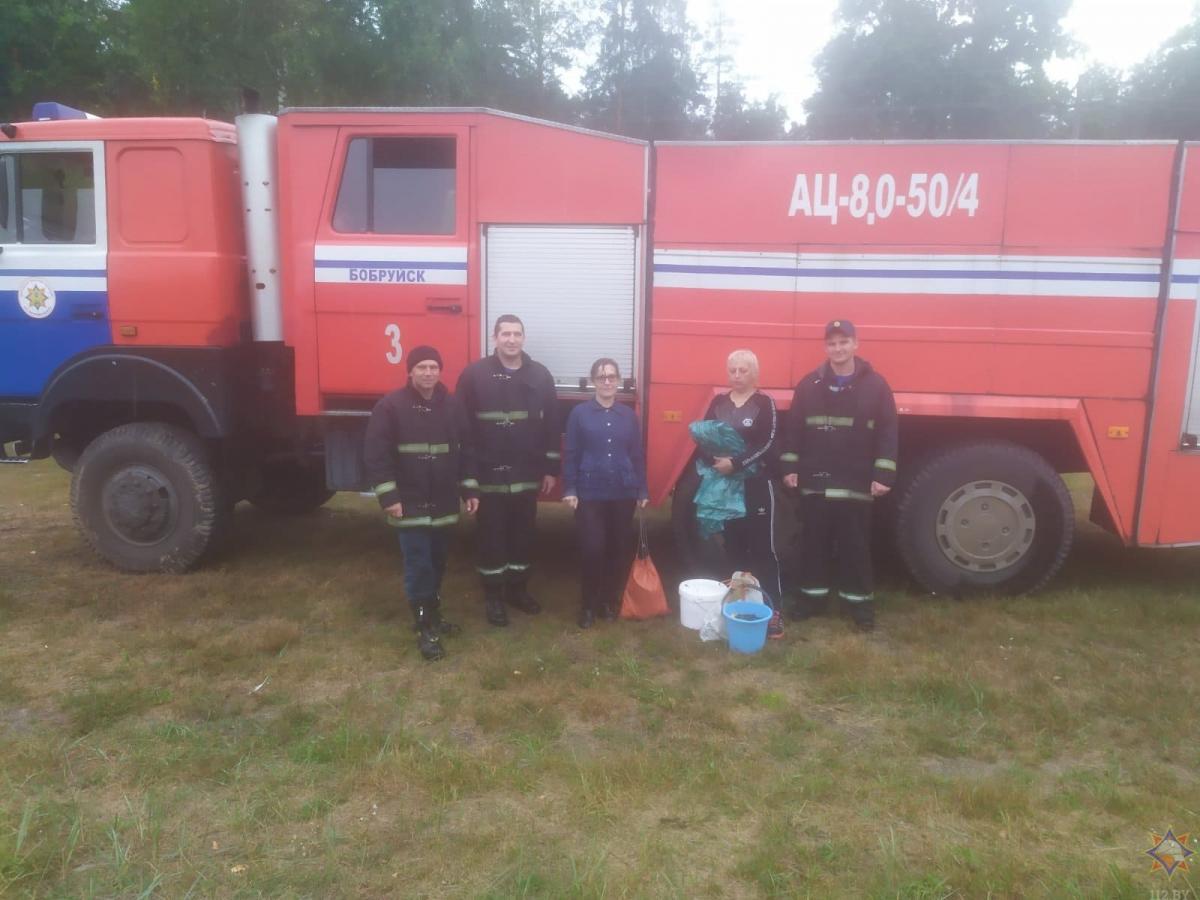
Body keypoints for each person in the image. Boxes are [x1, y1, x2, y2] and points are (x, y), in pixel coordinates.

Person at [781, 320, 898, 632]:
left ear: (856, 344)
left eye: (843, 342)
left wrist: (883, 473)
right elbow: (794, 430)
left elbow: (888, 432)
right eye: (832, 343)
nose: (838, 348)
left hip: (855, 483)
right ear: (825, 348)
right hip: (815, 483)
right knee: (812, 544)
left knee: (855, 546)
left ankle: (859, 606)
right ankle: (810, 600)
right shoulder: (809, 385)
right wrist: (790, 467)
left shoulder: (876, 385)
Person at [364, 345, 479, 661]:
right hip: (410, 501)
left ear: (440, 371)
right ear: (410, 371)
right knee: (418, 564)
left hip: (442, 501)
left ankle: (434, 613)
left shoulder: (453, 406)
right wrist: (389, 496)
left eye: (433, 367)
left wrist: (470, 490)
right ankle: (423, 625)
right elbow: (377, 455)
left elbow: (466, 450)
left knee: (439, 561)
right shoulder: (390, 406)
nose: (428, 373)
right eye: (422, 367)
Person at [456, 315, 560, 626]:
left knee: (523, 536)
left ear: (524, 338)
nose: (511, 340)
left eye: (516, 334)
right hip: (489, 477)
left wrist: (550, 467)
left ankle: (518, 590)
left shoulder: (540, 375)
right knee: (491, 538)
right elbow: (463, 429)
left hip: (525, 476)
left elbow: (552, 424)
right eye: (505, 334)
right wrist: (469, 478)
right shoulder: (474, 375)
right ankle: (493, 597)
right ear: (494, 337)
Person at [699, 348, 784, 638]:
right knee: (734, 547)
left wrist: (736, 463)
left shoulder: (764, 403)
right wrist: (715, 460)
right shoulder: (719, 402)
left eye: (743, 370)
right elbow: (705, 437)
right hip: (725, 489)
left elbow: (767, 442)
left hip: (756, 485)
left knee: (762, 550)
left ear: (754, 373)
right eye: (732, 370)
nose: (736, 375)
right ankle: (736, 610)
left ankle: (773, 613)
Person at [562, 358, 649, 629]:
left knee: (616, 549)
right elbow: (572, 453)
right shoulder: (579, 414)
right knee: (592, 549)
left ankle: (608, 601)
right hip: (590, 492)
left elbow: (636, 455)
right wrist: (570, 488)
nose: (607, 381)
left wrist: (642, 489)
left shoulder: (628, 416)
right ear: (593, 382)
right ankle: (587, 605)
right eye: (602, 377)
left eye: (612, 376)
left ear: (619, 380)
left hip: (622, 492)